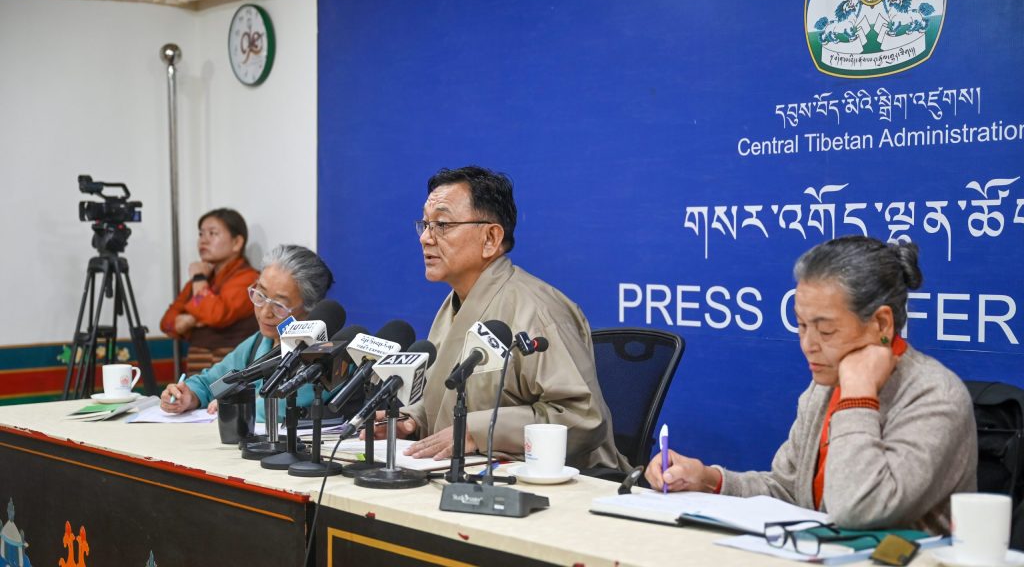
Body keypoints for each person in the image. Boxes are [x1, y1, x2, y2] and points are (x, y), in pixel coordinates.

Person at [646, 236, 977, 534]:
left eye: (826, 330)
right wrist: (709, 479)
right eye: (801, 325)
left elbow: (858, 509)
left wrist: (858, 397)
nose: (808, 344)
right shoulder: (824, 387)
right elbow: (787, 491)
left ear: (881, 323)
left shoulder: (935, 396)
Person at [378, 165, 627, 472]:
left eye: (442, 224)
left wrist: (477, 431)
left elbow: (582, 417)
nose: (426, 238)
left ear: (490, 238)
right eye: (425, 225)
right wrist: (413, 419)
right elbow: (456, 397)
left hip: (563, 483)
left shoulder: (536, 309)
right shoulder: (455, 301)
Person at [160, 244, 335, 423]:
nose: (265, 312)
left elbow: (283, 406)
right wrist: (189, 395)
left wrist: (237, 406)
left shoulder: (324, 354)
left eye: (279, 305)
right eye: (260, 295)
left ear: (310, 308)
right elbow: (211, 383)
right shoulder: (259, 343)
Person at [160, 208, 259, 373]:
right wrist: (192, 318)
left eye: (213, 233)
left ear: (237, 242)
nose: (203, 241)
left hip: (231, 371)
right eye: (201, 234)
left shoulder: (248, 278)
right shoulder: (203, 280)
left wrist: (191, 317)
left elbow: (216, 315)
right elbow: (167, 323)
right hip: (197, 368)